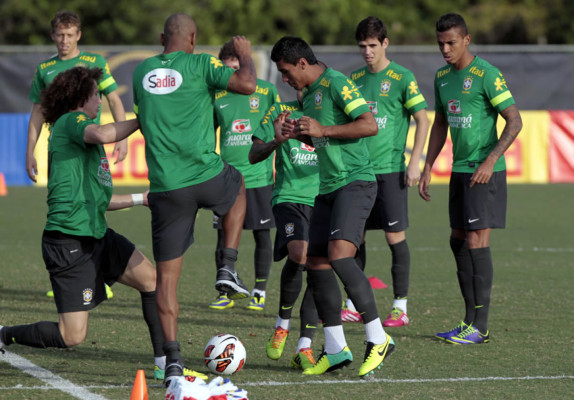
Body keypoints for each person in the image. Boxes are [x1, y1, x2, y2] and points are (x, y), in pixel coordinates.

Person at [0, 66, 204, 382]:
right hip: (68, 243)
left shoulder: (85, 140)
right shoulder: (72, 122)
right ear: (81, 97)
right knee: (72, 336)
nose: (101, 100)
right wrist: (145, 118)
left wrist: (142, 199)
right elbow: (103, 133)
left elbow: (100, 201)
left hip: (96, 235)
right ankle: (4, 334)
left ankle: (165, 363)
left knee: (152, 280)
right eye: (97, 94)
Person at [132, 14, 256, 386]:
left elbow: (148, 114)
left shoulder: (141, 72)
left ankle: (171, 360)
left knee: (166, 281)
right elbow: (247, 85)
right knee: (238, 187)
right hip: (205, 174)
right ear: (193, 39)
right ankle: (227, 266)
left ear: (161, 38)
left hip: (167, 189)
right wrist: (245, 54)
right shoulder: (202, 62)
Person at [270, 36, 394, 378]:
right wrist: (300, 134)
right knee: (318, 263)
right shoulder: (308, 95)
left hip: (355, 182)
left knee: (340, 255)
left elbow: (368, 124)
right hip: (326, 187)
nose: (284, 79)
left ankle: (378, 337)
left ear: (301, 64)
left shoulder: (337, 82)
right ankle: (336, 349)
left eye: (285, 71)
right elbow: (323, 137)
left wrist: (323, 128)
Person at [419, 13, 522, 344]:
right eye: (440, 43)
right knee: (457, 240)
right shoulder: (442, 77)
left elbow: (515, 121)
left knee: (478, 242)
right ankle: (468, 321)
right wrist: (427, 165)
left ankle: (480, 326)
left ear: (466, 39)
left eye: (451, 42)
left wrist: (491, 160)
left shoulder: (487, 74)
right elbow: (439, 124)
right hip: (459, 170)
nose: (445, 49)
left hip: (484, 172)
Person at [26, 10, 128, 300]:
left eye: (69, 35)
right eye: (59, 34)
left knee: (93, 200)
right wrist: (29, 151)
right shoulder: (45, 69)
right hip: (60, 149)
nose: (64, 40)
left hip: (87, 145)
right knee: (61, 204)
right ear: (53, 35)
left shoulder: (93, 62)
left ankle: (96, 272)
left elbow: (113, 98)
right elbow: (37, 112)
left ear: (79, 35)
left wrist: (123, 140)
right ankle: (70, 273)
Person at [343, 16, 430, 326]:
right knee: (355, 238)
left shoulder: (402, 77)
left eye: (372, 46)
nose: (367, 52)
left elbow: (423, 119)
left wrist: (415, 162)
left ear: (385, 44)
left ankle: (400, 307)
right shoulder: (352, 79)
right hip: (359, 172)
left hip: (391, 171)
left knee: (395, 238)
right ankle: (352, 303)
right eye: (362, 46)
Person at [248, 91, 320, 371]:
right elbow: (254, 154)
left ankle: (305, 346)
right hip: (289, 197)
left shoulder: (328, 110)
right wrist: (277, 140)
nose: (297, 86)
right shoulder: (279, 111)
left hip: (324, 198)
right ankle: (282, 326)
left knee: (317, 265)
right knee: (300, 253)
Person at [210, 40, 280, 312]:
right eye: (228, 67)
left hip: (259, 176)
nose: (233, 72)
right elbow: (207, 132)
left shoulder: (266, 91)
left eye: (237, 65)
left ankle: (259, 290)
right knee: (222, 237)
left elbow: (279, 128)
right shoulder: (216, 94)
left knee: (262, 235)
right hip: (226, 179)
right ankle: (224, 289)